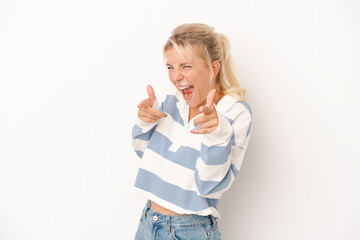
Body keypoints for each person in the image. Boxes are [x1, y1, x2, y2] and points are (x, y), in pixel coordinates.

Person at [131, 23, 252, 240]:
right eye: (170, 67)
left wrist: (216, 133)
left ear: (214, 68)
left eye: (185, 66)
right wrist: (144, 122)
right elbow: (146, 157)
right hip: (149, 221)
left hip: (190, 231)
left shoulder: (236, 113)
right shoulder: (172, 100)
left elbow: (210, 186)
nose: (176, 77)